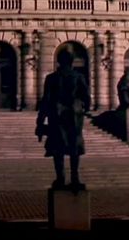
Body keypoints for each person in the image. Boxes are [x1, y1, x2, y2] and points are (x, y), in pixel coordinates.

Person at [36, 50, 91, 190]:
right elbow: (86, 97)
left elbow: (46, 100)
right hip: (74, 116)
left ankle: (60, 178)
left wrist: (40, 121)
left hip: (57, 115)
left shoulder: (51, 78)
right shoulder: (78, 77)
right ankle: (75, 178)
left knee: (57, 147)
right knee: (74, 146)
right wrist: (84, 109)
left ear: (59, 62)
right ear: (72, 62)